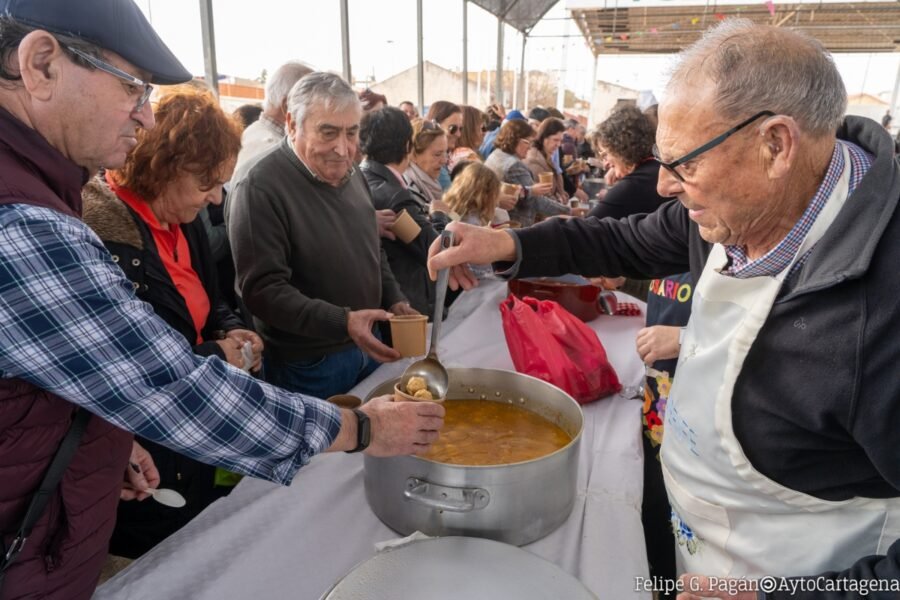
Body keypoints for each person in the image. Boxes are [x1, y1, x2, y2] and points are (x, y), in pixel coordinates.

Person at [429, 19, 900, 600]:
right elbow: (625, 239)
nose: (664, 186)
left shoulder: (883, 309)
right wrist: (508, 244)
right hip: (704, 541)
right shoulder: (737, 207)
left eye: (685, 164)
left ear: (776, 145)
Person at [0, 4, 442, 598]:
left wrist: (102, 431)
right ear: (41, 65)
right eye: (132, 88)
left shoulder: (44, 193)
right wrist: (360, 428)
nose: (145, 115)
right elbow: (174, 387)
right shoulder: (23, 223)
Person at [81, 87, 264, 558]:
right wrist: (216, 354)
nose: (216, 197)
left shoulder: (184, 221)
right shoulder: (103, 236)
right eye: (207, 183)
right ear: (162, 166)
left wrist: (229, 328)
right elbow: (123, 370)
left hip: (194, 430)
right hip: (147, 457)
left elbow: (211, 299)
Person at [230, 72, 420, 399]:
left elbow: (371, 248)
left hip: (368, 343)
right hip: (309, 365)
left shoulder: (353, 173)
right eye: (328, 132)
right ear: (292, 124)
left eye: (351, 133)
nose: (343, 149)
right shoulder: (260, 187)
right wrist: (343, 321)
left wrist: (395, 298)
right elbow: (262, 291)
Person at [360, 107, 450, 317]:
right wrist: (438, 216)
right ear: (408, 146)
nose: (444, 160)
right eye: (438, 154)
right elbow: (433, 248)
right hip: (405, 307)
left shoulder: (358, 180)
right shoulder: (394, 197)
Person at [227, 61, 313, 194]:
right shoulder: (269, 149)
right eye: (313, 103)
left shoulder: (255, 134)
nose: (321, 112)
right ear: (287, 106)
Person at [587, 105, 672, 220]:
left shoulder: (634, 184)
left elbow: (586, 226)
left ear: (621, 148)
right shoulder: (657, 167)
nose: (606, 164)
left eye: (606, 155)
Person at [484, 119, 569, 226]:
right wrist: (568, 211)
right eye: (527, 142)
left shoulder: (496, 154)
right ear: (514, 139)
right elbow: (536, 201)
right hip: (514, 224)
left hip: (497, 220)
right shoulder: (515, 165)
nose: (529, 147)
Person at [524, 117, 569, 204]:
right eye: (555, 140)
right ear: (544, 138)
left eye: (560, 141)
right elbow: (542, 196)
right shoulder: (534, 159)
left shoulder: (546, 155)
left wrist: (562, 194)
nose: (558, 145)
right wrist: (560, 201)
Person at [406, 118, 449, 205]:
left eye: (446, 152)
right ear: (413, 155)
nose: (444, 160)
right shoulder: (408, 192)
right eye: (437, 154)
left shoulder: (430, 183)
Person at [424, 100, 462, 190]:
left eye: (461, 129)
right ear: (436, 126)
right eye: (453, 128)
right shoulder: (434, 164)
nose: (458, 134)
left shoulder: (445, 159)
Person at [447, 105, 486, 171]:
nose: (485, 133)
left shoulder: (455, 153)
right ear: (470, 130)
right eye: (481, 128)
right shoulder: (468, 156)